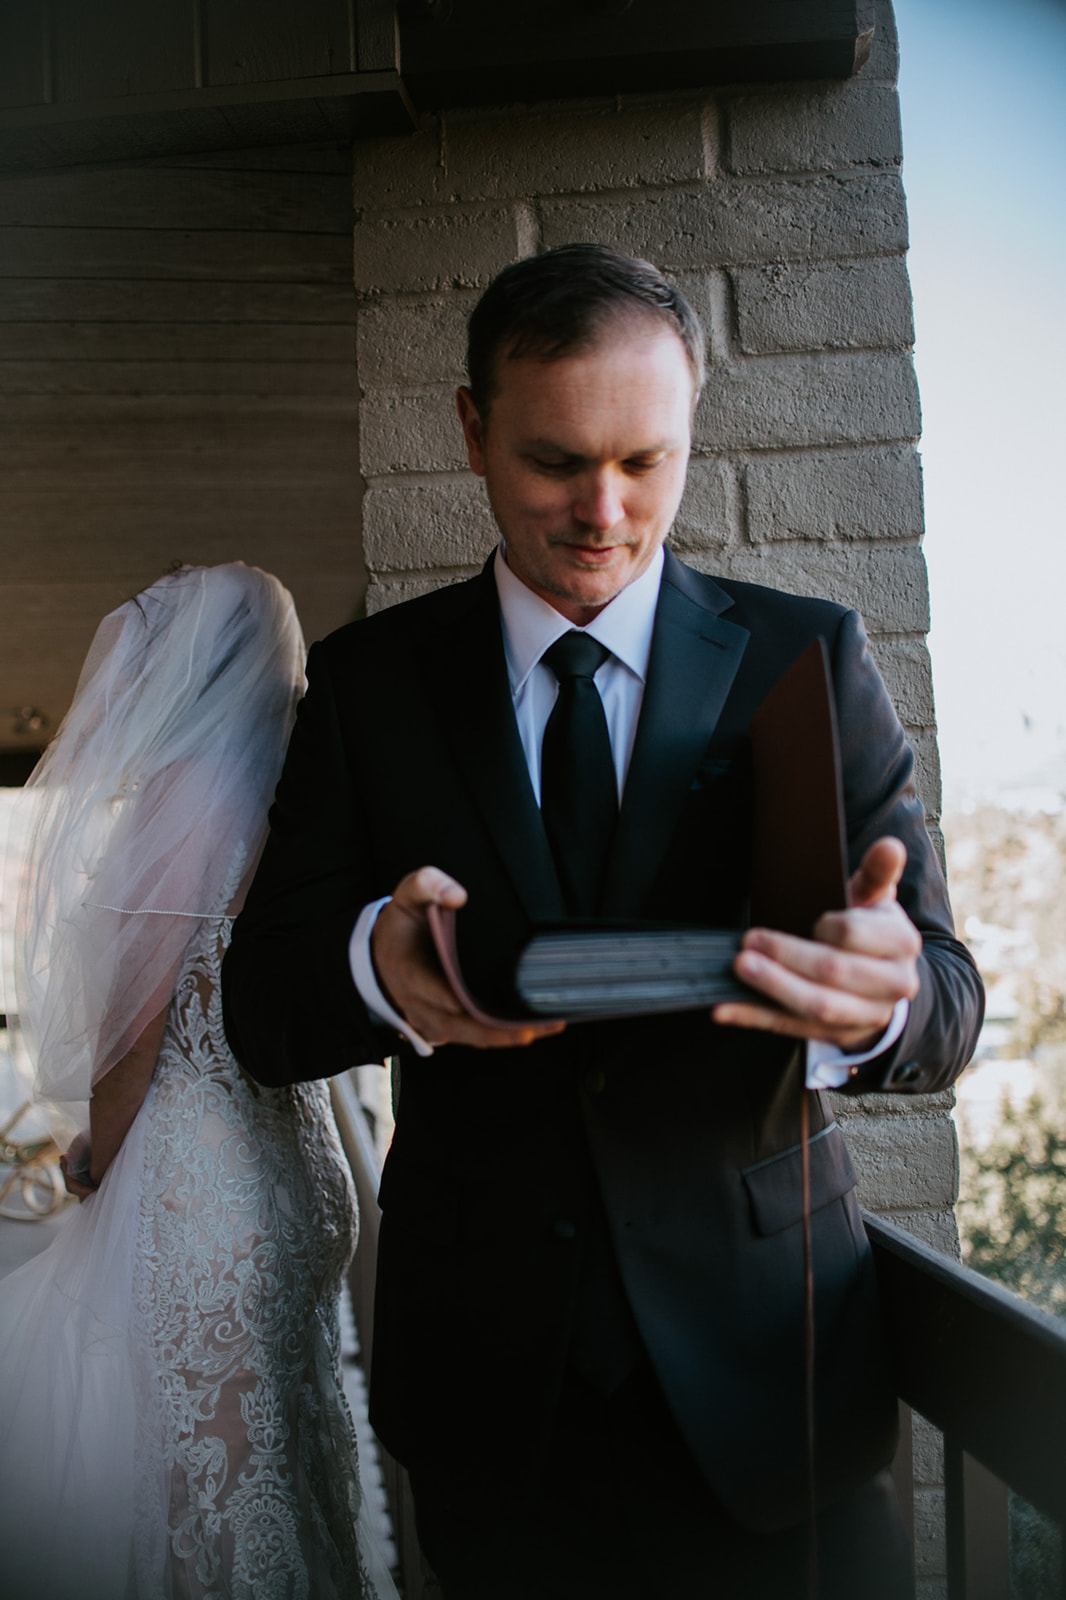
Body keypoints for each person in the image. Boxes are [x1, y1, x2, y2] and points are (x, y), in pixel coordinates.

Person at [222, 247, 984, 1598]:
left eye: (647, 460)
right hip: (490, 1397)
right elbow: (266, 1007)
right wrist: (378, 970)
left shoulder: (806, 655)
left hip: (776, 1378)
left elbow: (944, 1000)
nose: (605, 509)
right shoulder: (364, 688)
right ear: (470, 429)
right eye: (555, 461)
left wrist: (880, 1002)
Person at [0, 564, 396, 1600]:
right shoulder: (296, 801)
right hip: (295, 1168)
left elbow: (135, 1033)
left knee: (202, 1488)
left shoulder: (185, 797)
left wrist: (99, 1156)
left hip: (195, 1196)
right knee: (285, 1457)